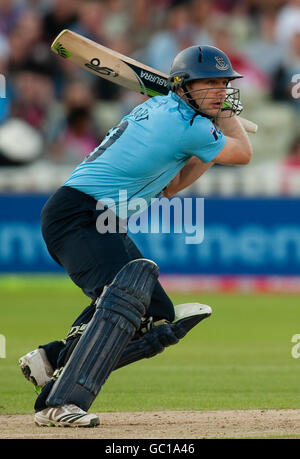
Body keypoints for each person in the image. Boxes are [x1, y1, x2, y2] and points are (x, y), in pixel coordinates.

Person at [19, 45, 252, 427]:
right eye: (210, 83)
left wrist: (206, 149)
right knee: (124, 296)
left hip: (100, 217)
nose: (222, 91)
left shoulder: (165, 112)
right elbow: (243, 152)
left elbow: (171, 187)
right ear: (184, 86)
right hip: (78, 214)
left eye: (225, 83)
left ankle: (51, 360)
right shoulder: (186, 126)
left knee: (158, 320)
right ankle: (58, 403)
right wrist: (226, 116)